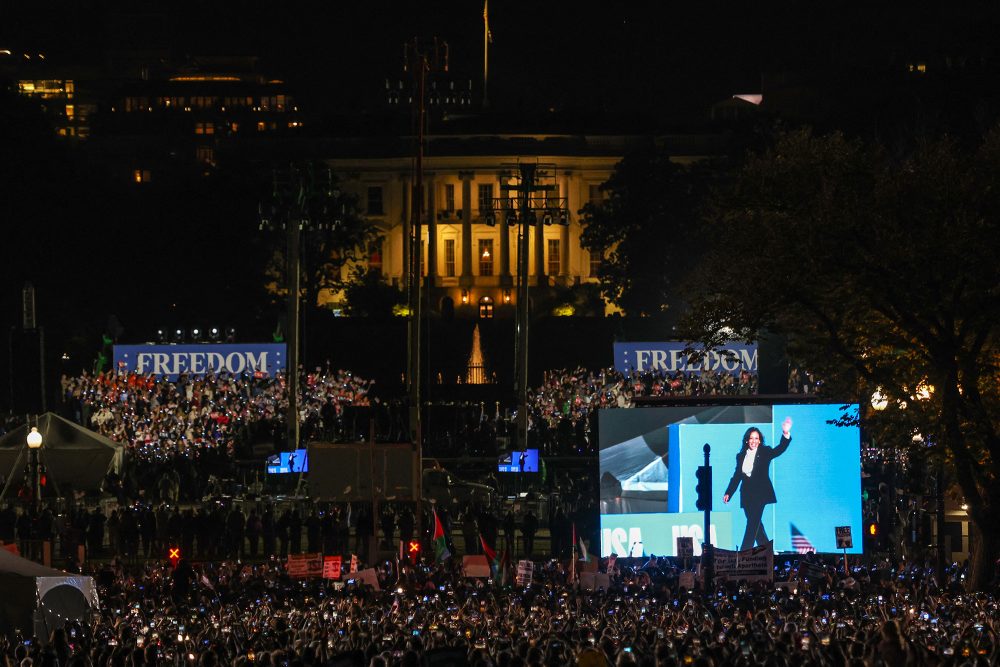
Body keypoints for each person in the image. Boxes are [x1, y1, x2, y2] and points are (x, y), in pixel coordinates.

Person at [723, 417, 792, 550]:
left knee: (752, 524)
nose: (754, 441)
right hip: (747, 495)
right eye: (751, 438)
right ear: (747, 440)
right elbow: (737, 476)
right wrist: (728, 492)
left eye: (756, 438)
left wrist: (785, 434)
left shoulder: (765, 452)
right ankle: (767, 552)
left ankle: (744, 552)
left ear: (760, 440)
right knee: (757, 527)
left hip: (761, 495)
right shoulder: (740, 455)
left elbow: (779, 449)